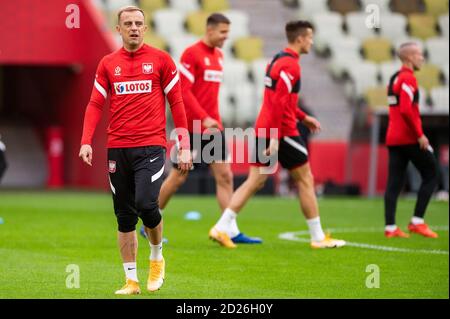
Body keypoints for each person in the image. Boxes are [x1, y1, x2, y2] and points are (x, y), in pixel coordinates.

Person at [79, 6, 192, 295]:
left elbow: (177, 104)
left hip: (151, 146)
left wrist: (185, 145)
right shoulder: (107, 64)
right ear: (118, 29)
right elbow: (94, 104)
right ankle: (131, 280)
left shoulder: (162, 60)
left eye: (138, 23)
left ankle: (156, 258)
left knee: (146, 204)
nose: (133, 27)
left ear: (145, 28)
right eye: (127, 23)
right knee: (124, 216)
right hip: (118, 148)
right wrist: (86, 140)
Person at [208, 21, 346, 249]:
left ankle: (221, 227)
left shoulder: (276, 60)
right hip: (281, 132)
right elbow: (280, 102)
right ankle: (318, 237)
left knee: (256, 181)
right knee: (305, 179)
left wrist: (303, 117)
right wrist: (275, 137)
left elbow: (277, 99)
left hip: (267, 128)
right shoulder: (291, 65)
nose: (311, 42)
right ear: (300, 39)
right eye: (310, 37)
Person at [141, 13, 261, 244]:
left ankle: (228, 229)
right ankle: (150, 224)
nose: (226, 37)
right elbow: (183, 92)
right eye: (223, 32)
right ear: (210, 30)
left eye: (228, 32)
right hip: (193, 126)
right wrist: (203, 118)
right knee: (178, 177)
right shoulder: (191, 54)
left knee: (225, 176)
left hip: (213, 127)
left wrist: (212, 119)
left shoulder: (219, 56)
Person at [384, 42, 439, 238]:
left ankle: (390, 227)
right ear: (408, 58)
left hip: (393, 137)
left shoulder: (394, 78)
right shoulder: (408, 78)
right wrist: (419, 135)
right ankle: (417, 221)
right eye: (419, 55)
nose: (422, 58)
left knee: (394, 183)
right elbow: (406, 109)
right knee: (432, 172)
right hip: (408, 137)